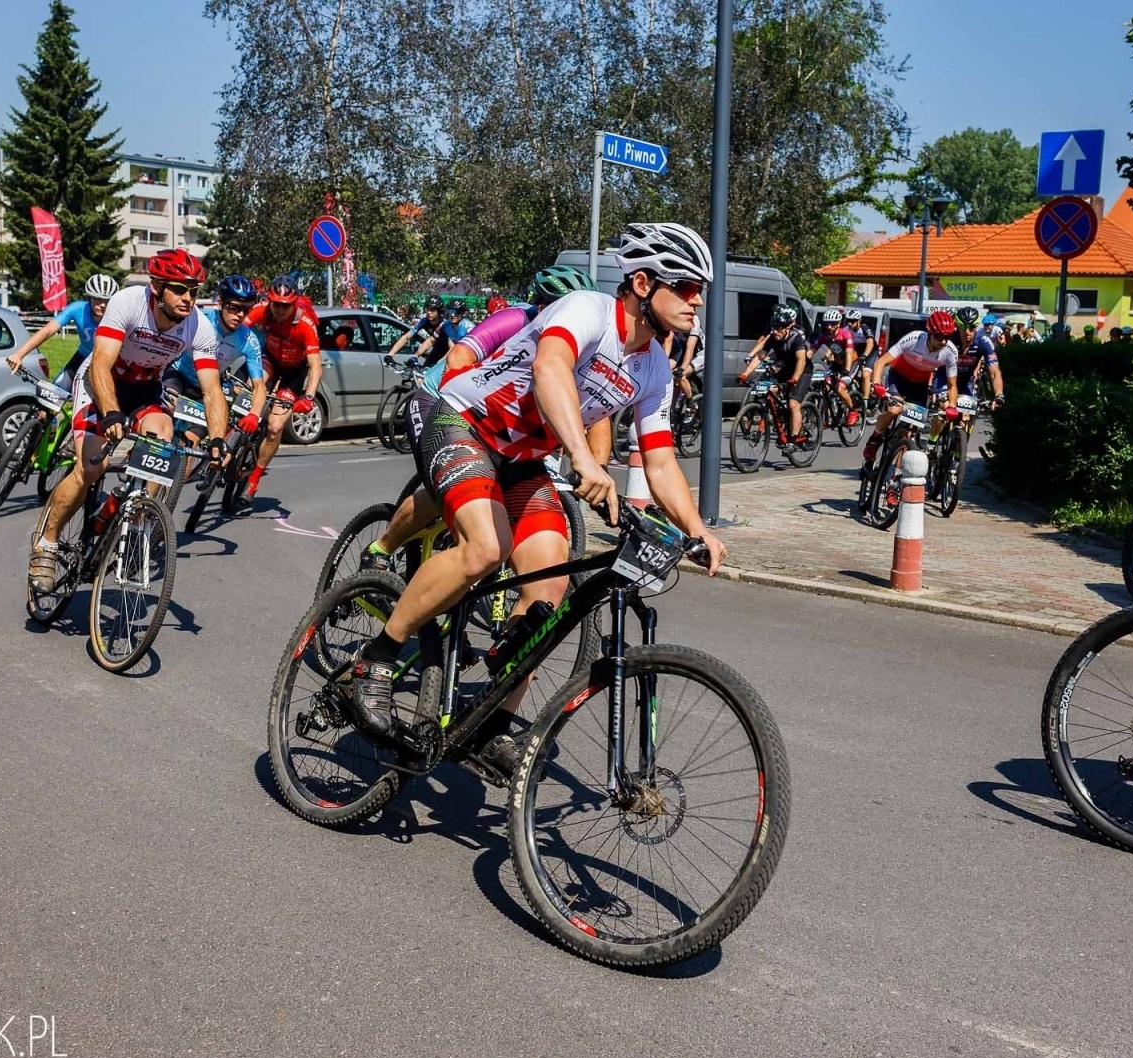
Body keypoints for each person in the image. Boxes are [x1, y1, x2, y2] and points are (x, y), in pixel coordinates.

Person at [346, 223, 727, 780]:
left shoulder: (655, 368)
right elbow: (551, 370)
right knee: (486, 547)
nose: (699, 302)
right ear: (642, 283)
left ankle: (491, 724)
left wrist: (698, 528)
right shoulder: (587, 310)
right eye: (688, 287)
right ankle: (374, 664)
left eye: (702, 291)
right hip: (462, 423)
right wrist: (583, 457)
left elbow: (662, 459)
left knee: (549, 586)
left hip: (520, 459)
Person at [360, 264, 601, 570]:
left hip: (496, 422)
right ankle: (380, 549)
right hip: (439, 401)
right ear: (542, 306)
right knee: (451, 486)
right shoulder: (516, 318)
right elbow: (458, 359)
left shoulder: (578, 343)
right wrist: (465, 418)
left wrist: (593, 463)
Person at [28, 250, 227, 592]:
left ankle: (134, 522)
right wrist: (110, 413)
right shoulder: (128, 303)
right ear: (156, 287)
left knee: (162, 440)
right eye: (179, 289)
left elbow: (212, 391)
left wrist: (219, 439)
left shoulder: (199, 326)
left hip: (145, 389)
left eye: (193, 291)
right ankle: (46, 543)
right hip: (101, 383)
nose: (188, 298)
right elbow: (101, 364)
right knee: (92, 467)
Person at [161, 275, 269, 454]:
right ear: (220, 303)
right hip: (179, 375)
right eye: (234, 307)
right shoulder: (199, 319)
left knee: (191, 442)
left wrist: (254, 415)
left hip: (207, 387)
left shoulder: (249, 340)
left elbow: (259, 386)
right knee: (167, 407)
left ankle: (177, 481)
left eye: (246, 310)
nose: (240, 315)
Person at [242, 275, 322, 499]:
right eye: (275, 303)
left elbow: (316, 366)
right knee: (247, 388)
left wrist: (308, 397)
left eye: (284, 306)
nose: (278, 310)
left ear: (294, 303)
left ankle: (254, 478)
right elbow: (237, 331)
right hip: (270, 358)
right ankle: (234, 437)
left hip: (294, 371)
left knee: (276, 427)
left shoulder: (305, 324)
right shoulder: (263, 310)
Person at [7, 274, 120, 390]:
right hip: (83, 355)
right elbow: (48, 330)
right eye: (97, 299)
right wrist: (18, 355)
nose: (103, 304)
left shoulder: (118, 313)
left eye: (107, 300)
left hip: (110, 359)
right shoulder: (77, 309)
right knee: (54, 393)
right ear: (89, 298)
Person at [867, 309, 960, 443]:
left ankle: (902, 457)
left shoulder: (951, 352)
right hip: (898, 378)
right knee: (894, 410)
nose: (943, 342)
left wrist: (952, 405)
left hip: (919, 385)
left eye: (947, 337)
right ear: (929, 333)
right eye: (939, 337)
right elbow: (882, 361)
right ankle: (874, 439)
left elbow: (952, 385)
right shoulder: (913, 339)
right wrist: (876, 383)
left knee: (911, 430)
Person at [739, 304, 811, 445]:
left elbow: (801, 360)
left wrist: (795, 378)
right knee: (769, 391)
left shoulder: (796, 338)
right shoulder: (773, 337)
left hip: (802, 371)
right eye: (774, 329)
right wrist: (745, 374)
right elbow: (761, 356)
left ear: (787, 328)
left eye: (779, 329)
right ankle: (783, 420)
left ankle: (793, 439)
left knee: (793, 404)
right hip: (786, 369)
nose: (776, 332)